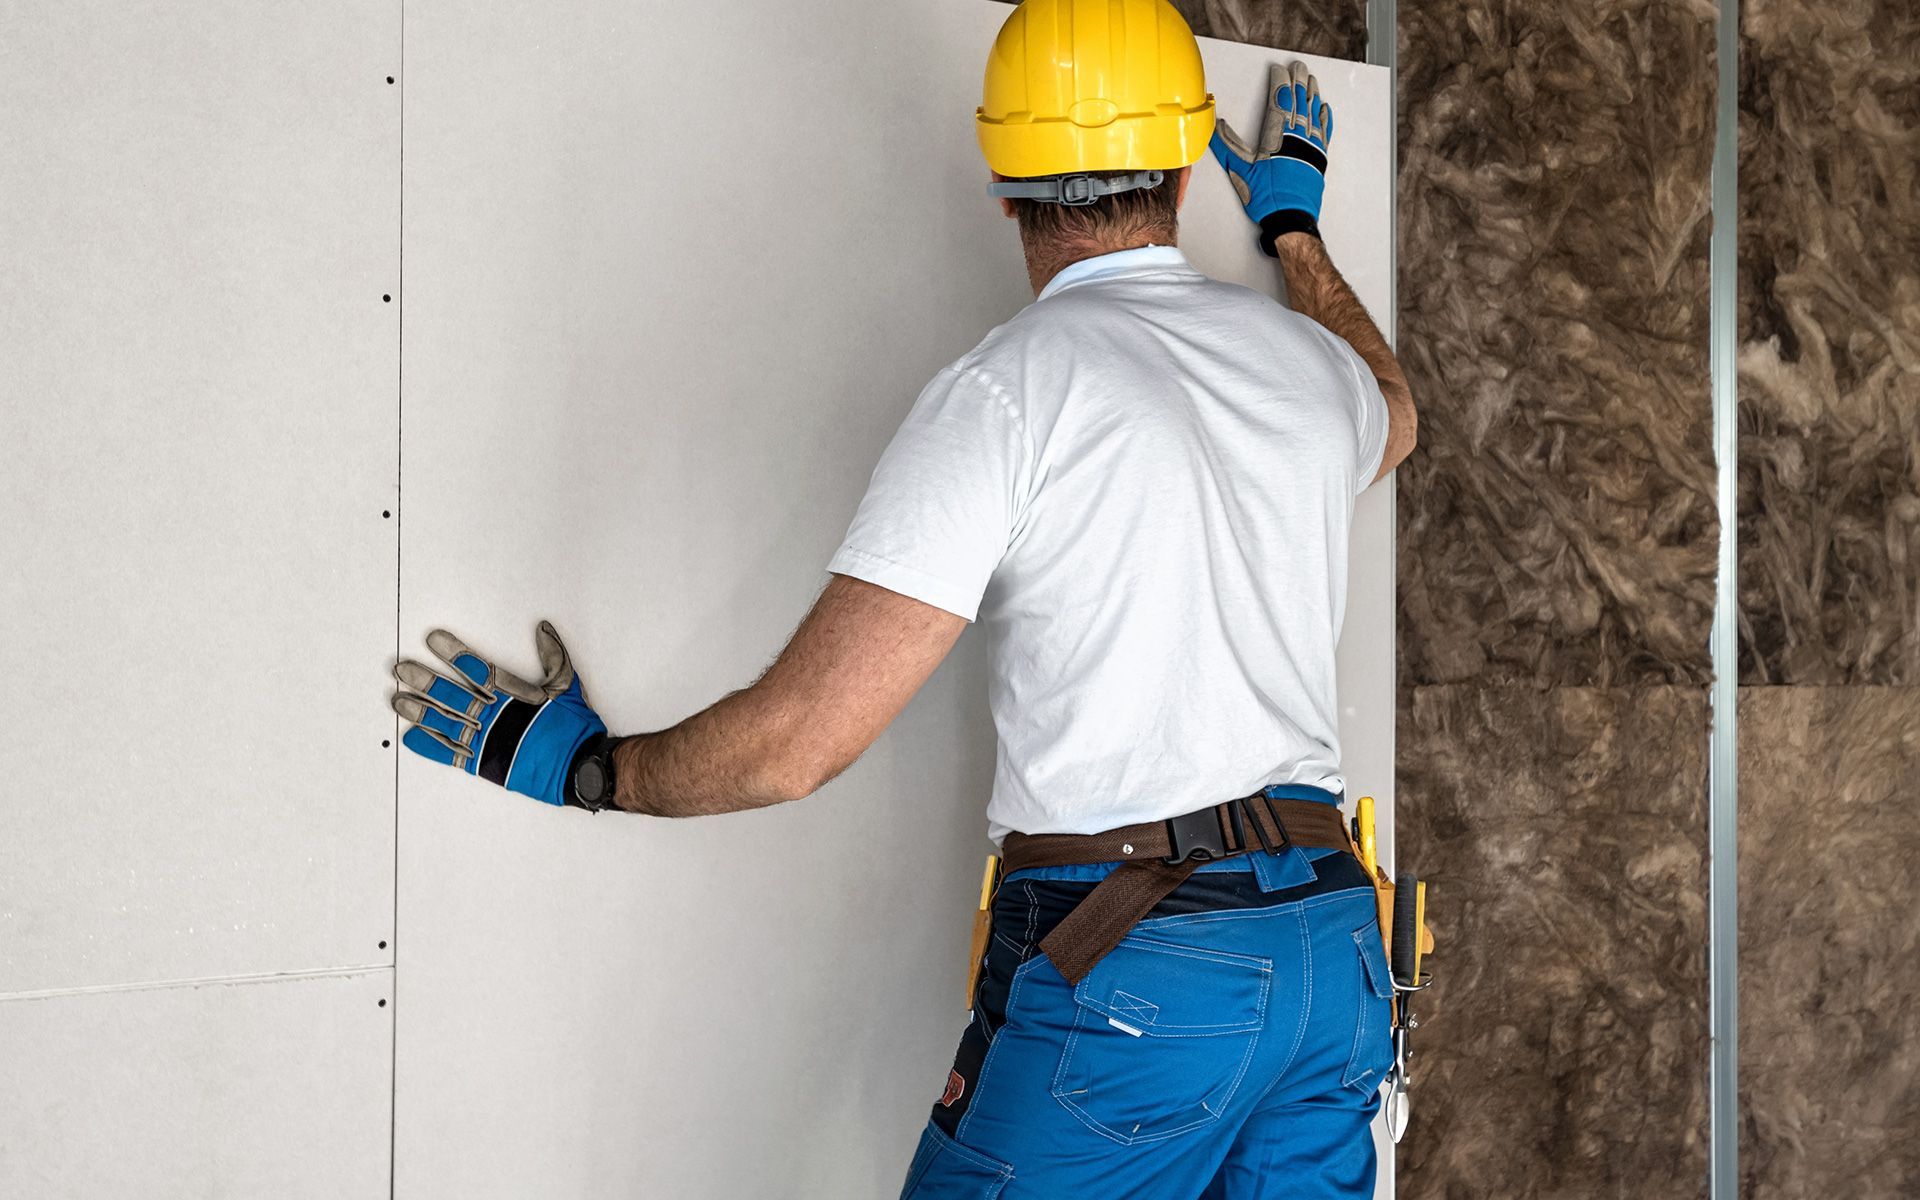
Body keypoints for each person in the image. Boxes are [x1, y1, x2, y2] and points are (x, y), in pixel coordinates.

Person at [390, 1, 1415, 1195]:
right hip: (1331, 956)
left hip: (1147, 967)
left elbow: (797, 747)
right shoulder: (1305, 370)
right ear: (1185, 168)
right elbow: (1395, 410)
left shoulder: (1010, 396)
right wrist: (1294, 229)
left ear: (1005, 186)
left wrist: (593, 770)